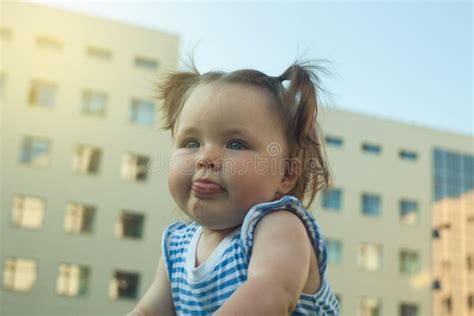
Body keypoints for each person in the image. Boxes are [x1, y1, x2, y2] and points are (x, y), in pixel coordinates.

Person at [126, 59, 340, 315]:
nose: (205, 158)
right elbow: (149, 312)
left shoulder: (278, 226)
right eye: (192, 143)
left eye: (236, 144)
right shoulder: (176, 246)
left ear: (286, 174)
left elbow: (270, 294)